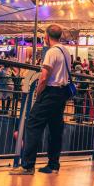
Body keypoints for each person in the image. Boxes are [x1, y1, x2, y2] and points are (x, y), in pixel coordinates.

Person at [11, 24, 72, 175]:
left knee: (33, 125)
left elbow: (44, 77)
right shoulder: (66, 51)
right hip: (62, 93)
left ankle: (27, 165)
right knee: (55, 129)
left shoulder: (51, 52)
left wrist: (38, 93)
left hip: (50, 92)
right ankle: (53, 164)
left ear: (46, 37)